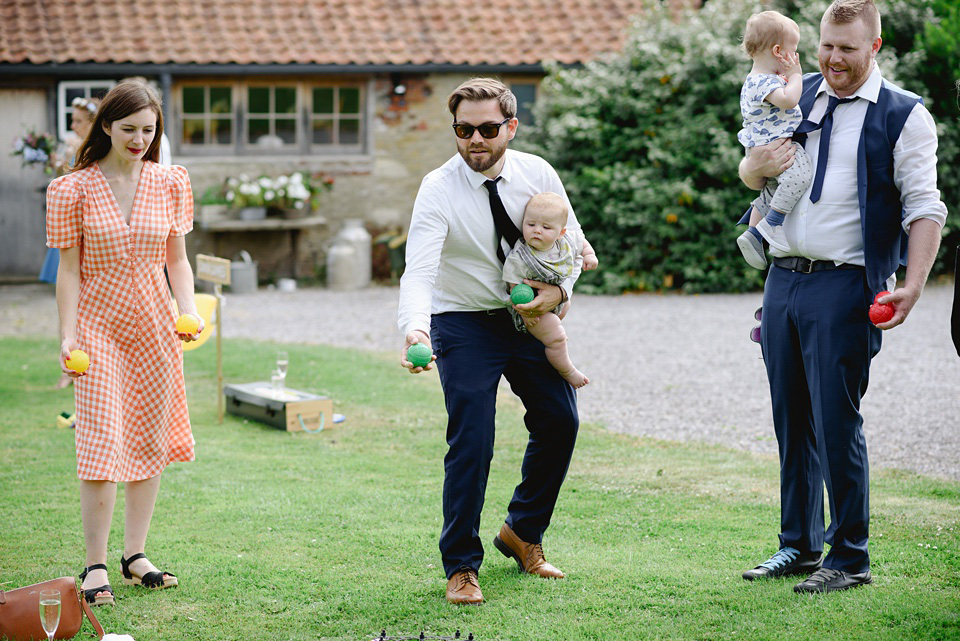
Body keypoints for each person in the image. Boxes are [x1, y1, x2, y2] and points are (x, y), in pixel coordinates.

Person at [737, 0, 947, 593]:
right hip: (781, 278)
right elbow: (753, 168)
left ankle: (849, 556)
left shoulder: (905, 115)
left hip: (845, 285)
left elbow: (924, 206)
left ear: (874, 47)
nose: (831, 58)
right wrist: (751, 172)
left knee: (835, 422)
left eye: (847, 48)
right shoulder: (792, 90)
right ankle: (797, 547)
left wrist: (912, 283)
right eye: (826, 44)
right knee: (790, 420)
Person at [398, 78, 582, 605]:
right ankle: (460, 564)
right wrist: (415, 327)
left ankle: (523, 533)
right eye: (463, 129)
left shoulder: (538, 173)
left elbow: (569, 243)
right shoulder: (438, 187)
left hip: (522, 320)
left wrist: (559, 291)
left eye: (486, 128)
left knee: (560, 419)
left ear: (511, 127)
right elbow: (419, 270)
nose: (474, 139)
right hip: (460, 321)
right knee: (473, 436)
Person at [46, 80, 204, 606]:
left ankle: (134, 555)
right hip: (97, 328)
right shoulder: (72, 190)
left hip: (157, 327)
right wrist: (67, 333)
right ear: (107, 127)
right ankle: (94, 565)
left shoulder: (170, 182)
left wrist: (189, 308)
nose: (139, 139)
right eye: (129, 129)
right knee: (99, 444)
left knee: (149, 438)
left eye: (149, 130)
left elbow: (176, 260)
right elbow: (68, 272)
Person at [735, 11, 812, 270]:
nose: (796, 56)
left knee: (771, 190)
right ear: (779, 51)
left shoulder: (755, 80)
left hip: (762, 145)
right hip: (776, 145)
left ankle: (753, 234)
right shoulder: (763, 82)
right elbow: (789, 100)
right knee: (800, 175)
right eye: (794, 50)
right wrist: (797, 75)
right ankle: (773, 224)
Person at [503, 192, 589, 388]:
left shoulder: (566, 242)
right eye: (531, 224)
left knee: (564, 309)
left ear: (561, 232)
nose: (537, 231)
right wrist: (525, 312)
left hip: (558, 301)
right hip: (534, 309)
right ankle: (567, 370)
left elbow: (582, 243)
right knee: (557, 338)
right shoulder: (520, 256)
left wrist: (589, 255)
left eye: (546, 227)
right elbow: (514, 287)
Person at [39, 96, 101, 286]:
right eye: (72, 120)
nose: (73, 126)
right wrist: (58, 163)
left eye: (78, 121)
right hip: (70, 215)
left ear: (93, 122)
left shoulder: (95, 149)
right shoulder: (76, 146)